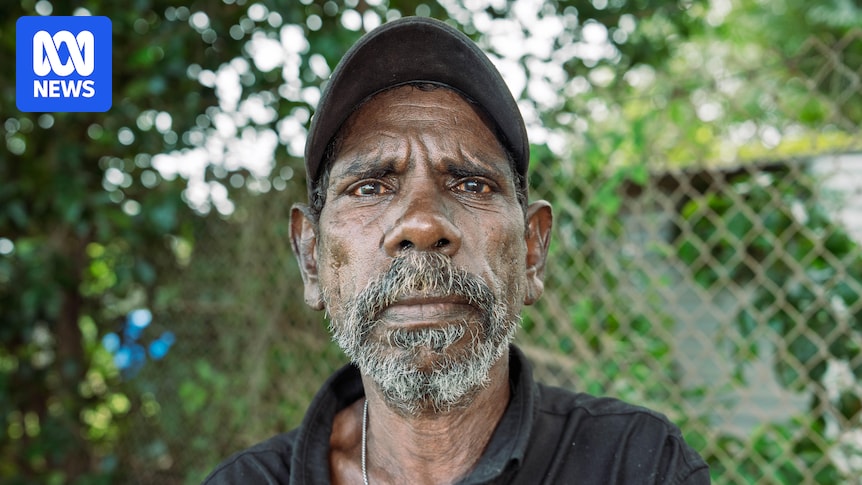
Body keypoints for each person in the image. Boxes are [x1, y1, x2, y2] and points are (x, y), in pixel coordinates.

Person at [203, 16, 710, 484]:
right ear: (312, 258)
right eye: (370, 187)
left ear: (531, 249)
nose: (423, 225)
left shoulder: (638, 465)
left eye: (471, 184)